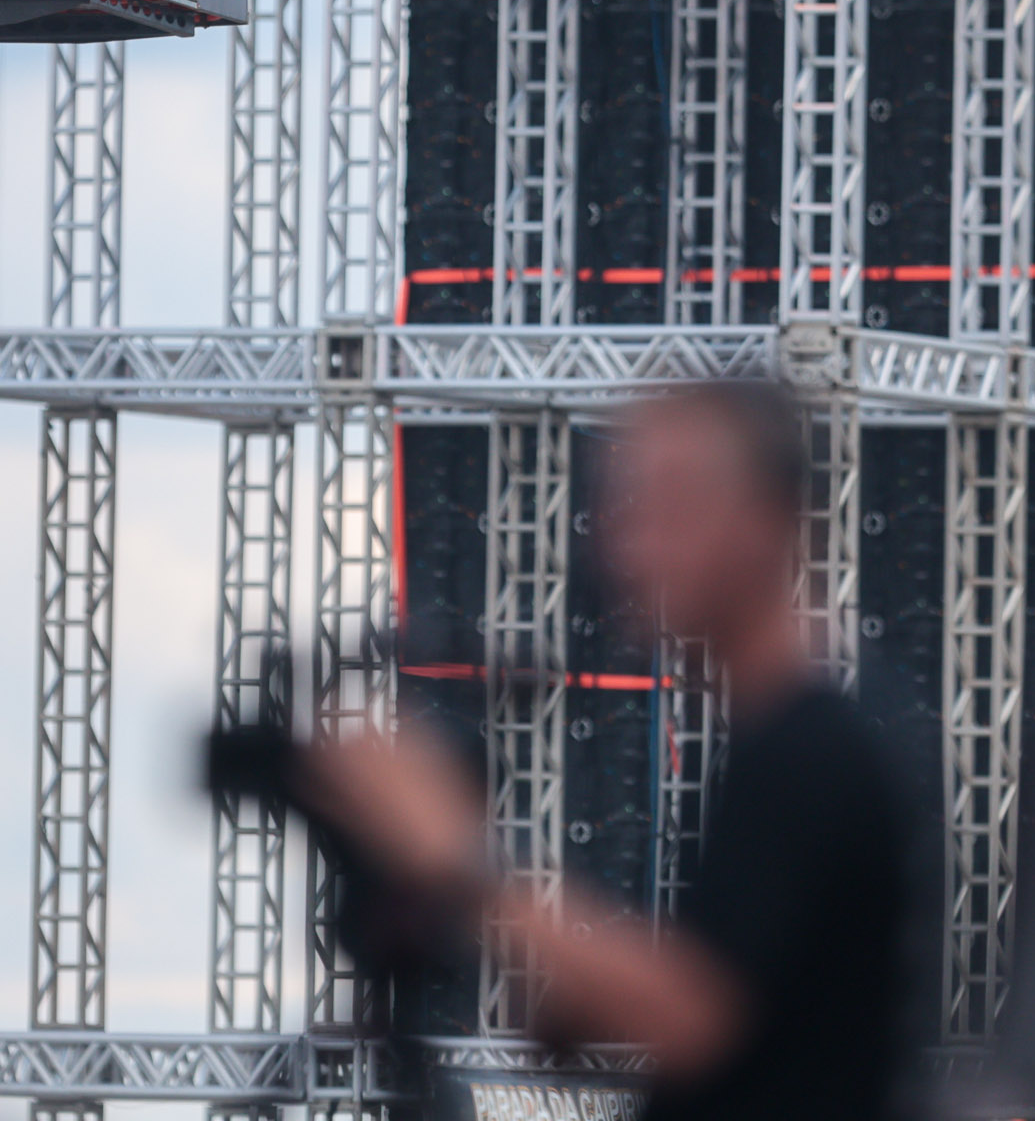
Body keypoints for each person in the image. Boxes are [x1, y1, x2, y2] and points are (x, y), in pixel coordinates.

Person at [303, 380, 915, 1121]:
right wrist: (583, 1004)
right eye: (627, 511)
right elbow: (754, 1012)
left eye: (672, 507)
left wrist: (456, 858)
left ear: (770, 522)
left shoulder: (814, 753)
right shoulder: (781, 741)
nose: (633, 546)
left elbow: (692, 1015)